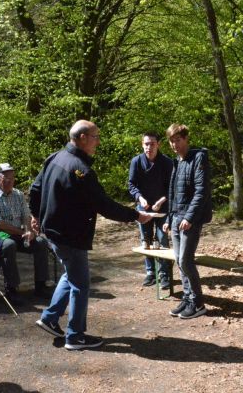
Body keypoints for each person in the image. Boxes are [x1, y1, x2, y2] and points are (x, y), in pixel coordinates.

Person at [30, 120, 152, 350]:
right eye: (95, 137)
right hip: (70, 235)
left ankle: (49, 317)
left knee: (71, 274)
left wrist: (35, 215)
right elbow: (103, 204)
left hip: (54, 232)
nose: (98, 141)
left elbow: (35, 189)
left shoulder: (54, 157)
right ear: (83, 137)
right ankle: (75, 336)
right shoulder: (81, 171)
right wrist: (135, 216)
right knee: (80, 284)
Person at [0, 163, 53, 304]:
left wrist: (28, 231)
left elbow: (25, 216)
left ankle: (41, 285)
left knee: (40, 242)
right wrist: (22, 232)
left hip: (17, 233)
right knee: (9, 245)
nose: (11, 181)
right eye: (6, 178)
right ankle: (11, 288)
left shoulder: (18, 194)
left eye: (12, 178)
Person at [162, 123, 212, 319]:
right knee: (179, 261)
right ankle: (188, 297)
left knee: (185, 260)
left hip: (190, 219)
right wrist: (168, 217)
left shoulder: (198, 158)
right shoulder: (177, 162)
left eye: (178, 140)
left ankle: (198, 302)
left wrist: (189, 217)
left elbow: (201, 192)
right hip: (175, 218)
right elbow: (172, 193)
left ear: (186, 139)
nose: (174, 144)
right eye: (171, 141)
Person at [128, 131, 174, 289]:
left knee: (162, 239)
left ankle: (164, 274)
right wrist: (140, 198)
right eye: (146, 144)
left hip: (162, 208)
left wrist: (161, 201)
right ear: (142, 144)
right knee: (145, 240)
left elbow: (172, 187)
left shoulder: (167, 162)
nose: (149, 147)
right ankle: (150, 273)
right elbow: (132, 185)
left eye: (152, 144)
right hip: (144, 208)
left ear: (158, 145)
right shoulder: (136, 162)